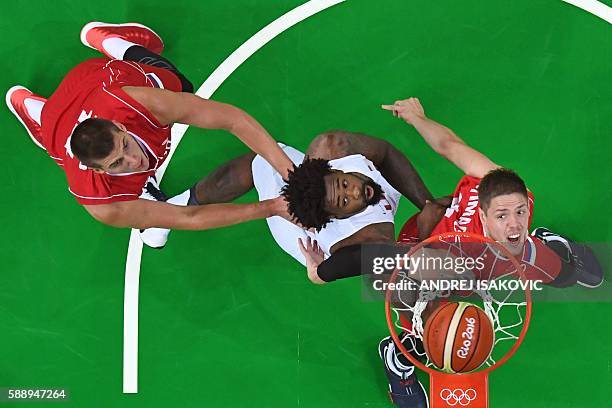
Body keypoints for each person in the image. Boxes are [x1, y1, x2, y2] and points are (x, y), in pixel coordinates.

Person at [376, 96, 603, 408]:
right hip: (430, 255)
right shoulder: (442, 251)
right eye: (502, 217)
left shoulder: (495, 185)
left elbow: (450, 145)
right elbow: (413, 270)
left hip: (487, 261)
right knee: (430, 330)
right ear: (483, 215)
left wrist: (418, 118)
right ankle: (398, 360)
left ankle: (551, 245)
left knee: (563, 274)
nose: (514, 227)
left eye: (520, 212)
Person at [6, 22, 293, 248]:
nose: (133, 160)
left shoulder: (137, 103)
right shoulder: (103, 202)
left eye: (125, 145)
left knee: (178, 83)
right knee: (51, 122)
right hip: (57, 127)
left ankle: (107, 40)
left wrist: (289, 172)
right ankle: (27, 105)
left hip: (90, 79)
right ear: (95, 169)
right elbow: (187, 217)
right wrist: (269, 207)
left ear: (119, 127)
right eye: (117, 163)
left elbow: (233, 120)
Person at [251, 131, 434, 284]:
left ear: (335, 169)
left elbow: (385, 154)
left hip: (308, 183)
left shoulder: (333, 146)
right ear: (335, 217)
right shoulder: (364, 238)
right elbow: (403, 267)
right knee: (259, 162)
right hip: (298, 235)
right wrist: (428, 230)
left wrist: (428, 204)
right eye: (344, 202)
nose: (355, 193)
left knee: (274, 154)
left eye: (345, 184)